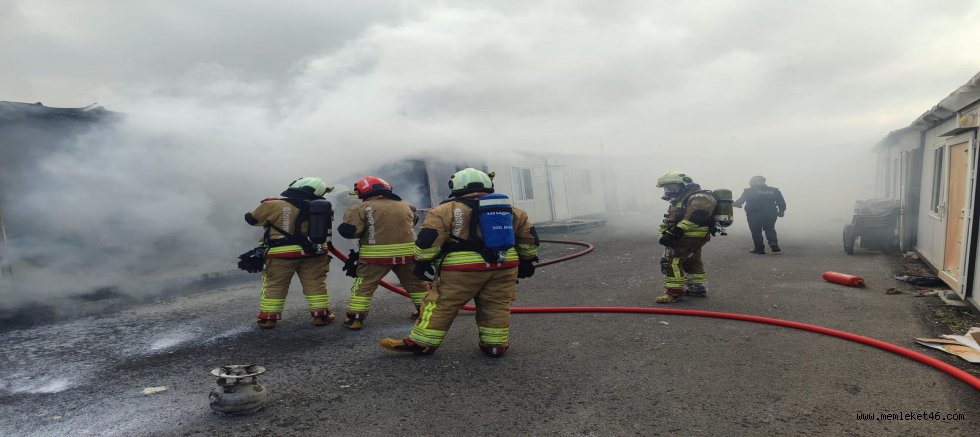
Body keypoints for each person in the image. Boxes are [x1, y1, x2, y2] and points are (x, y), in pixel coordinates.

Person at [379, 168, 539, 357]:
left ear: (455, 186)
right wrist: (527, 262)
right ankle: (495, 345)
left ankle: (422, 342)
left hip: (462, 269)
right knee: (496, 304)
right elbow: (529, 238)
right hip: (504, 266)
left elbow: (428, 241)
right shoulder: (512, 210)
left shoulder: (444, 210)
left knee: (440, 304)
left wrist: (422, 262)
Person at [337, 176, 429, 330]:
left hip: (375, 257)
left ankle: (355, 319)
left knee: (364, 286)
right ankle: (425, 313)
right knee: (417, 284)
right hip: (407, 254)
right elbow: (412, 222)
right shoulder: (405, 205)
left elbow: (350, 232)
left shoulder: (360, 208)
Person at [244, 177, 336, 328]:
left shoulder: (273, 204)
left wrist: (266, 205)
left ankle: (268, 318)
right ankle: (321, 316)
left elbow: (251, 219)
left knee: (275, 284)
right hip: (314, 252)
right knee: (315, 284)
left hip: (281, 254)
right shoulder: (322, 208)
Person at [655, 171, 716, 304]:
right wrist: (663, 232)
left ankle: (674, 293)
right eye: (667, 188)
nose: (669, 191)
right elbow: (672, 219)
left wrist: (674, 233)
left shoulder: (700, 197)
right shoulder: (682, 198)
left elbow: (696, 218)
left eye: (672, 187)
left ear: (685, 184)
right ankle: (697, 288)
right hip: (689, 235)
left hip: (691, 235)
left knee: (672, 260)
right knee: (691, 260)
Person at [733, 176, 786, 254]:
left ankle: (759, 248)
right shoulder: (774, 190)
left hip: (754, 215)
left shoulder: (749, 191)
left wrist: (732, 204)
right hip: (771, 214)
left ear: (754, 182)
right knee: (770, 229)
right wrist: (781, 211)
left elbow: (740, 201)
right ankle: (773, 243)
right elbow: (781, 202)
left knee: (756, 231)